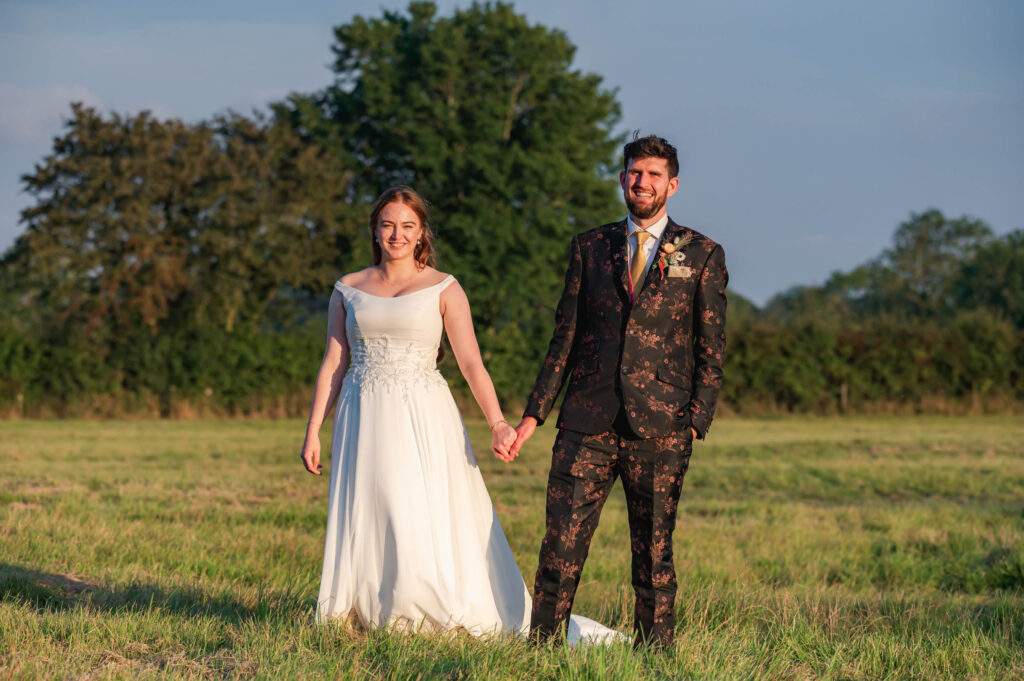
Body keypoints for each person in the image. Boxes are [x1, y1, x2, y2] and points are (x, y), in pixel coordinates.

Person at [300, 186, 620, 643]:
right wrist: (313, 430)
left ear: (420, 233)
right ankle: (363, 603)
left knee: (408, 502)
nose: (396, 233)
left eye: (407, 226)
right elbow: (333, 361)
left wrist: (497, 422)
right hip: (362, 410)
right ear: (375, 228)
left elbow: (470, 361)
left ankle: (414, 603)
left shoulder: (444, 287)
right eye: (388, 224)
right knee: (368, 502)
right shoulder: (348, 288)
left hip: (422, 412)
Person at [511, 134, 728, 648]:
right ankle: (541, 651)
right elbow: (563, 337)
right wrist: (534, 415)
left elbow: (712, 347)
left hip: (662, 427)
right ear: (622, 179)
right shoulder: (590, 246)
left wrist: (696, 419)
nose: (642, 182)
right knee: (559, 546)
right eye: (634, 172)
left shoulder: (702, 254)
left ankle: (656, 655)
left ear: (672, 185)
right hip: (586, 419)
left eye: (653, 174)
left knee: (653, 553)